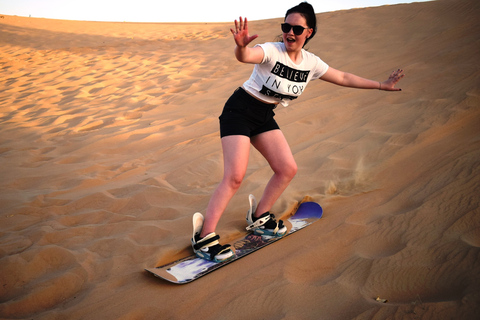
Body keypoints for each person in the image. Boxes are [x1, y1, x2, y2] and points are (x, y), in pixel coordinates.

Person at [191, 2, 404, 262]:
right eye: (286, 27)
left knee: (287, 169)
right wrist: (241, 46)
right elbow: (246, 57)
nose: (290, 33)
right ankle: (204, 237)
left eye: (297, 28)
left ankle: (259, 217)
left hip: (263, 116)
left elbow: (345, 78)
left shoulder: (310, 63)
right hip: (239, 111)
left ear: (309, 32)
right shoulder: (271, 51)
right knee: (235, 176)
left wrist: (382, 85)